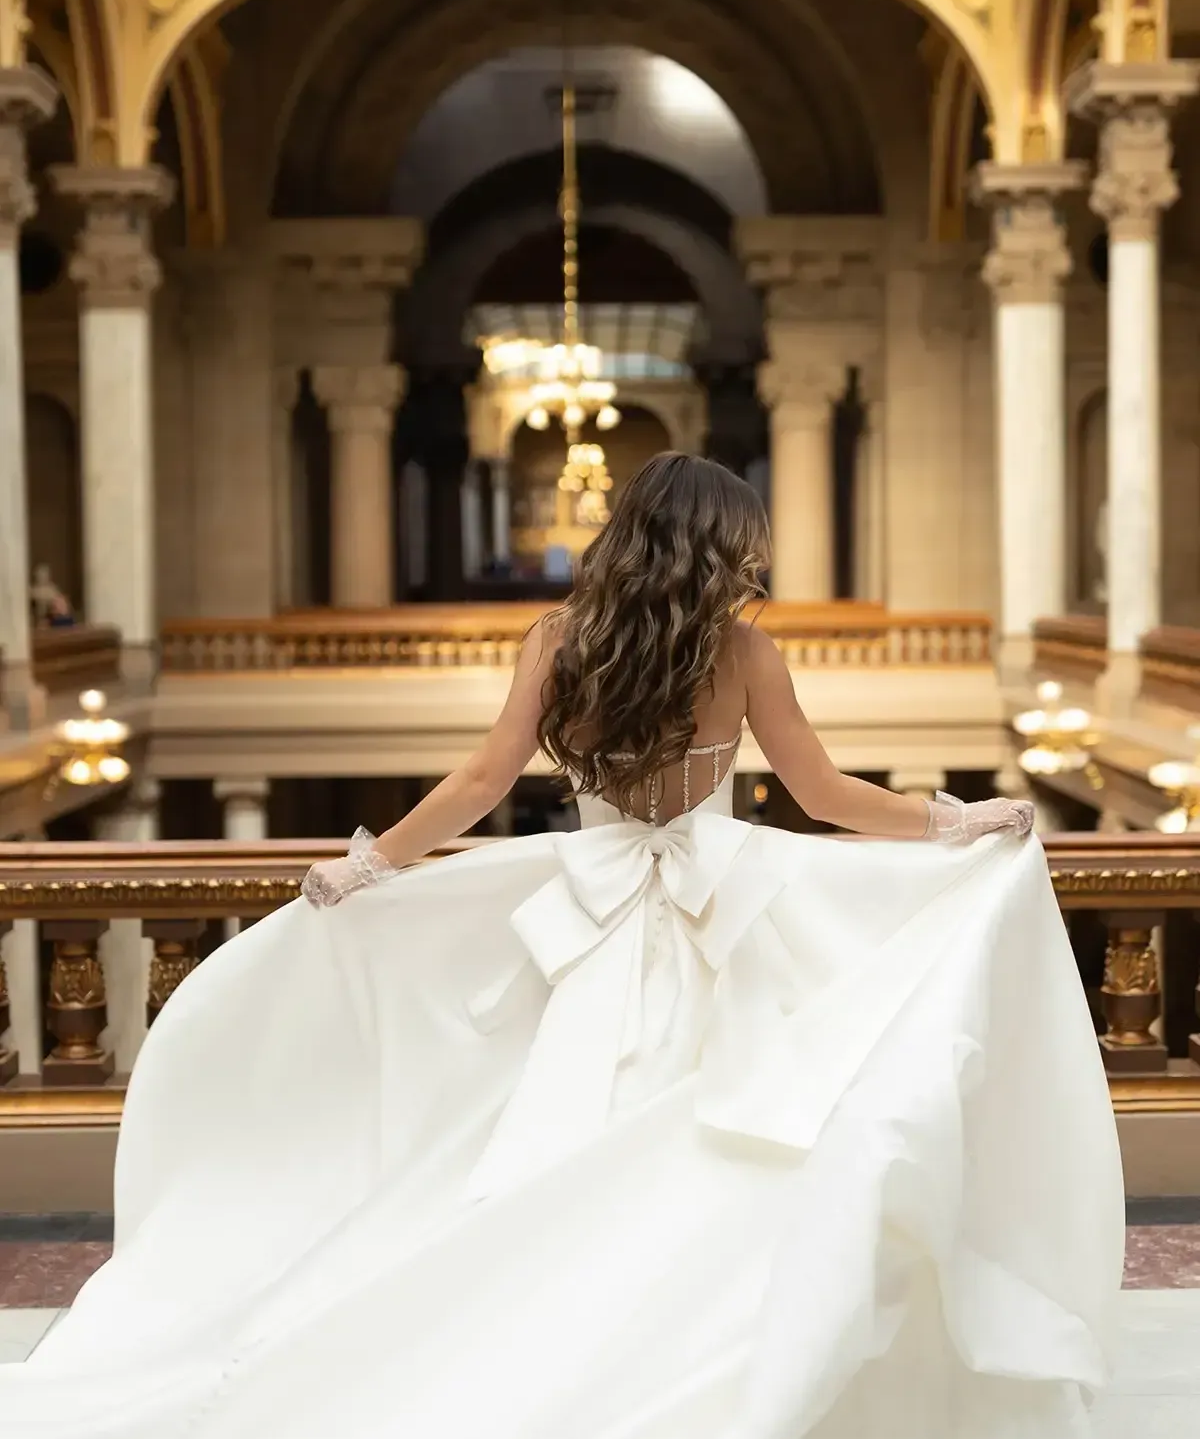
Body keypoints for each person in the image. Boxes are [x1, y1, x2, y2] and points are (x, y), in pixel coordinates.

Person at [0, 454, 1124, 1439]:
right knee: (741, 1140)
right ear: (720, 544)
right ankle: (702, 1348)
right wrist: (953, 821)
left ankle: (555, 1333)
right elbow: (823, 797)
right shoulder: (744, 654)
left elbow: (483, 784)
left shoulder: (559, 640)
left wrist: (369, 864)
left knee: (564, 1139)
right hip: (727, 922)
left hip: (588, 927)